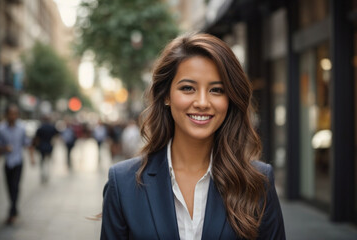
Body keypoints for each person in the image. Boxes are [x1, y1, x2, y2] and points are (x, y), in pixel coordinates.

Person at [100, 33, 285, 240]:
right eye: (188, 88)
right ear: (166, 95)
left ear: (230, 99)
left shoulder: (258, 182)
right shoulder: (123, 183)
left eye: (216, 90)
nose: (203, 102)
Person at [0, 104, 34, 225]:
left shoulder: (22, 128)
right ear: (6, 114)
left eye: (15, 113)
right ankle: (14, 208)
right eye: (10, 113)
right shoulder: (1, 128)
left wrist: (32, 157)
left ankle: (12, 211)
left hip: (18, 161)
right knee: (9, 187)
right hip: (8, 162)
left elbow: (27, 143)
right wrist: (3, 148)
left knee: (15, 186)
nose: (12, 116)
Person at [33, 114, 59, 183]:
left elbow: (36, 138)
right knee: (47, 161)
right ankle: (46, 173)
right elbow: (56, 135)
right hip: (49, 146)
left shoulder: (41, 127)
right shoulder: (52, 127)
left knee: (42, 160)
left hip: (42, 146)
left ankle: (43, 173)